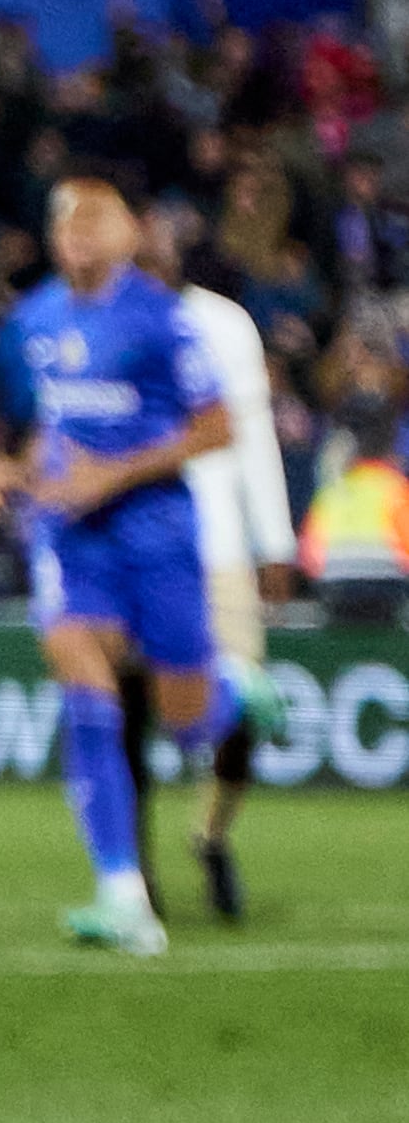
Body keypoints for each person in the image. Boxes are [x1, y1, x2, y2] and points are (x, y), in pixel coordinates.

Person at [3, 178, 248, 959]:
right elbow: (45, 424)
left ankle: (241, 695)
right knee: (86, 689)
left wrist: (114, 474)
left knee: (188, 721)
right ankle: (121, 895)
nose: (75, 231)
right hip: (74, 540)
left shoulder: (163, 320)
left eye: (93, 218)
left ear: (131, 233)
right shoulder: (33, 317)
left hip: (156, 533)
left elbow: (216, 429)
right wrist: (14, 473)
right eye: (63, 219)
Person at [125, 226, 300, 921]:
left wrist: (275, 542)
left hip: (219, 547)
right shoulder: (106, 322)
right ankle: (132, 877)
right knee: (129, 713)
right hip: (133, 549)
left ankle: (212, 834)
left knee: (242, 711)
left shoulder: (226, 325)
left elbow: (252, 435)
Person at [304, 420, 408, 632]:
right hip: (387, 591)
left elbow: (309, 556)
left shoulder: (332, 492)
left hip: (336, 591)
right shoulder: (396, 488)